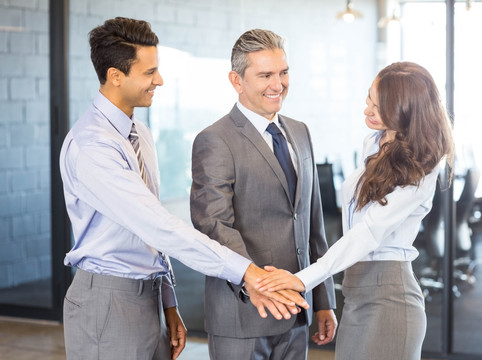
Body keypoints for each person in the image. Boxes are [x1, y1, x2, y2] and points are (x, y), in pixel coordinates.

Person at [60, 18, 307, 360]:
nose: (159, 80)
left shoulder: (139, 134)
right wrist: (248, 272)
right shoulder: (92, 146)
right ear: (116, 76)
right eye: (150, 72)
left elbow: (149, 233)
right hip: (108, 301)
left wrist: (168, 300)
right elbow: (158, 226)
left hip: (148, 299)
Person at [257, 61, 455, 360]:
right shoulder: (374, 144)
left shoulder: (421, 168)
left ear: (405, 110)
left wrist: (303, 279)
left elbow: (367, 232)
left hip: (388, 296)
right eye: (368, 99)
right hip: (356, 291)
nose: (367, 110)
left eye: (378, 106)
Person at [190, 29, 337, 360]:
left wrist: (324, 300)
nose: (278, 84)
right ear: (237, 80)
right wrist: (256, 284)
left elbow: (312, 223)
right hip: (242, 316)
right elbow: (213, 224)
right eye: (265, 75)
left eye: (283, 72)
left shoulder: (300, 132)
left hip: (297, 312)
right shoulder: (215, 139)